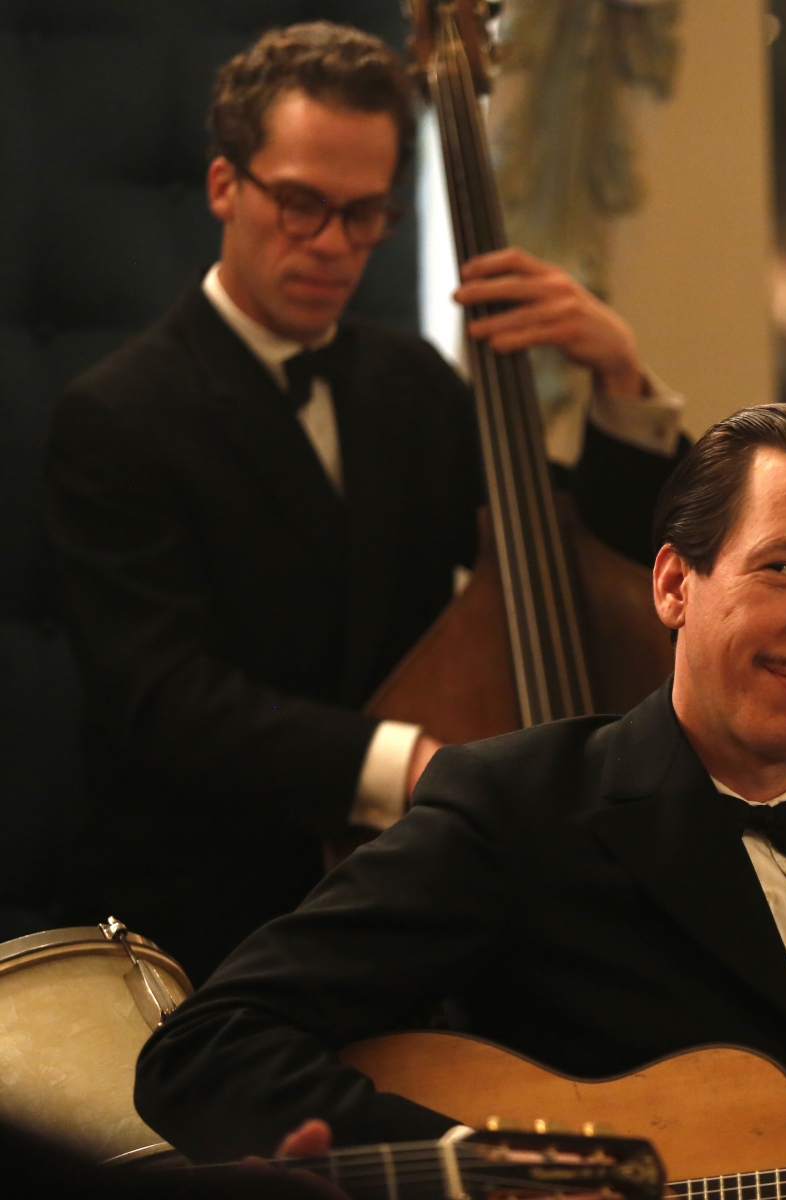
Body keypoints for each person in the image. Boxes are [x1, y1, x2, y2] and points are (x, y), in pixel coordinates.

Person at [131, 403, 786, 1169]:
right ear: (673, 585)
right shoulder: (515, 808)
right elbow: (207, 1049)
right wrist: (496, 1173)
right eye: (783, 567)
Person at [44, 23, 687, 984]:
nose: (334, 246)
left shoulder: (410, 382)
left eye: (365, 214)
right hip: (211, 908)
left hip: (408, 900)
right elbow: (170, 698)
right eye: (301, 205)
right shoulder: (117, 416)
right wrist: (410, 762)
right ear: (224, 185)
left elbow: (582, 556)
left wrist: (620, 378)